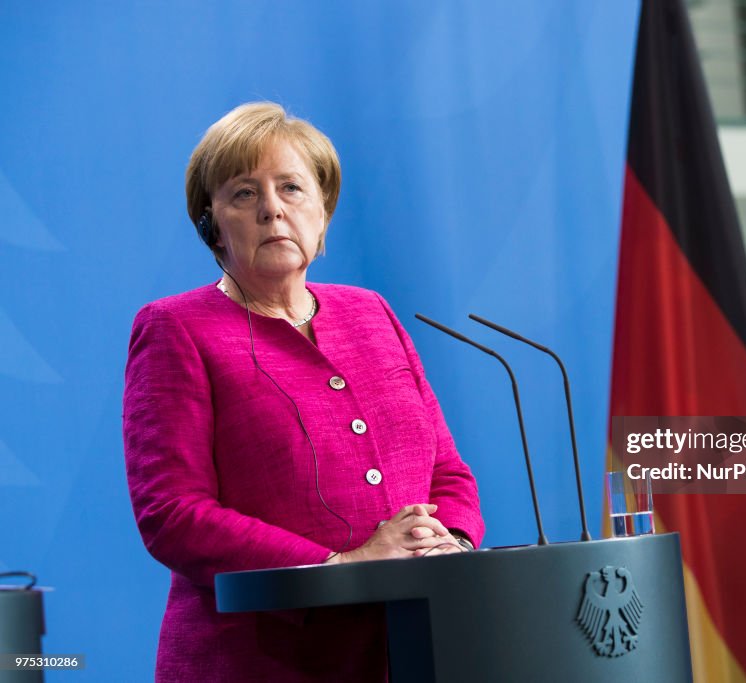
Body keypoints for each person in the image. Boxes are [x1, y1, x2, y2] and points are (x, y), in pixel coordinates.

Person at [122, 102, 484, 682]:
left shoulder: (371, 313)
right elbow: (172, 513)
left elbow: (446, 469)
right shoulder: (176, 328)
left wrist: (451, 544)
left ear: (323, 213)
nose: (272, 209)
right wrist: (339, 566)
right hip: (260, 661)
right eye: (244, 193)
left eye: (291, 187)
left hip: (413, 646)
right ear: (210, 224)